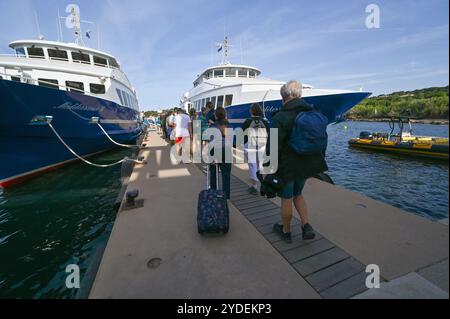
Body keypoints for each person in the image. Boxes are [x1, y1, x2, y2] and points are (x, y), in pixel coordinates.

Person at [270, 80, 328, 243]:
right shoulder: (312, 111)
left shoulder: (280, 117)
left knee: (287, 198)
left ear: (284, 98)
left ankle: (286, 231)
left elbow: (273, 147)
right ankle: (306, 225)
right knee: (298, 194)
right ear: (300, 95)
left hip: (288, 166)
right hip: (307, 163)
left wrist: (268, 168)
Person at [241, 103, 270, 195]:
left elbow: (243, 134)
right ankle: (264, 187)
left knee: (253, 166)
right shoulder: (265, 121)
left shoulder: (247, 121)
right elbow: (269, 134)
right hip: (262, 146)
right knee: (261, 166)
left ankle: (254, 187)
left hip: (250, 146)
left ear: (251, 111)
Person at [208, 106, 232, 199]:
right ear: (225, 115)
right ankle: (226, 196)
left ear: (215, 115)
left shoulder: (212, 126)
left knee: (213, 174)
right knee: (226, 176)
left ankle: (213, 193)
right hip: (227, 151)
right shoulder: (228, 125)